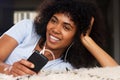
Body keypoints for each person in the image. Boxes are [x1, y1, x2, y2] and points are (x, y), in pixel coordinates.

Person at [0, 0, 118, 77]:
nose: (55, 30)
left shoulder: (68, 68)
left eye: (66, 27)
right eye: (54, 21)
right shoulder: (27, 28)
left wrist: (86, 40)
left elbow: (116, 74)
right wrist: (9, 69)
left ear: (76, 35)